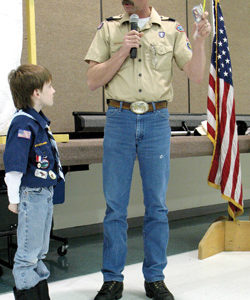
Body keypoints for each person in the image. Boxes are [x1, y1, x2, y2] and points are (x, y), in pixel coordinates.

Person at [85, 1, 211, 299]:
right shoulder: (110, 28)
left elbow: (195, 74)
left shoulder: (170, 28)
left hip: (156, 121)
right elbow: (93, 80)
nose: (126, 2)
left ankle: (155, 278)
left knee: (157, 205)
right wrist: (121, 50)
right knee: (115, 206)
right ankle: (112, 280)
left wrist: (200, 41)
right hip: (119, 118)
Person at [3, 64, 64, 300]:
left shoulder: (37, 121)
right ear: (36, 92)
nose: (54, 91)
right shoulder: (22, 123)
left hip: (43, 192)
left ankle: (40, 295)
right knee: (28, 255)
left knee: (39, 252)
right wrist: (14, 199)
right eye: (49, 86)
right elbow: (14, 167)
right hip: (32, 193)